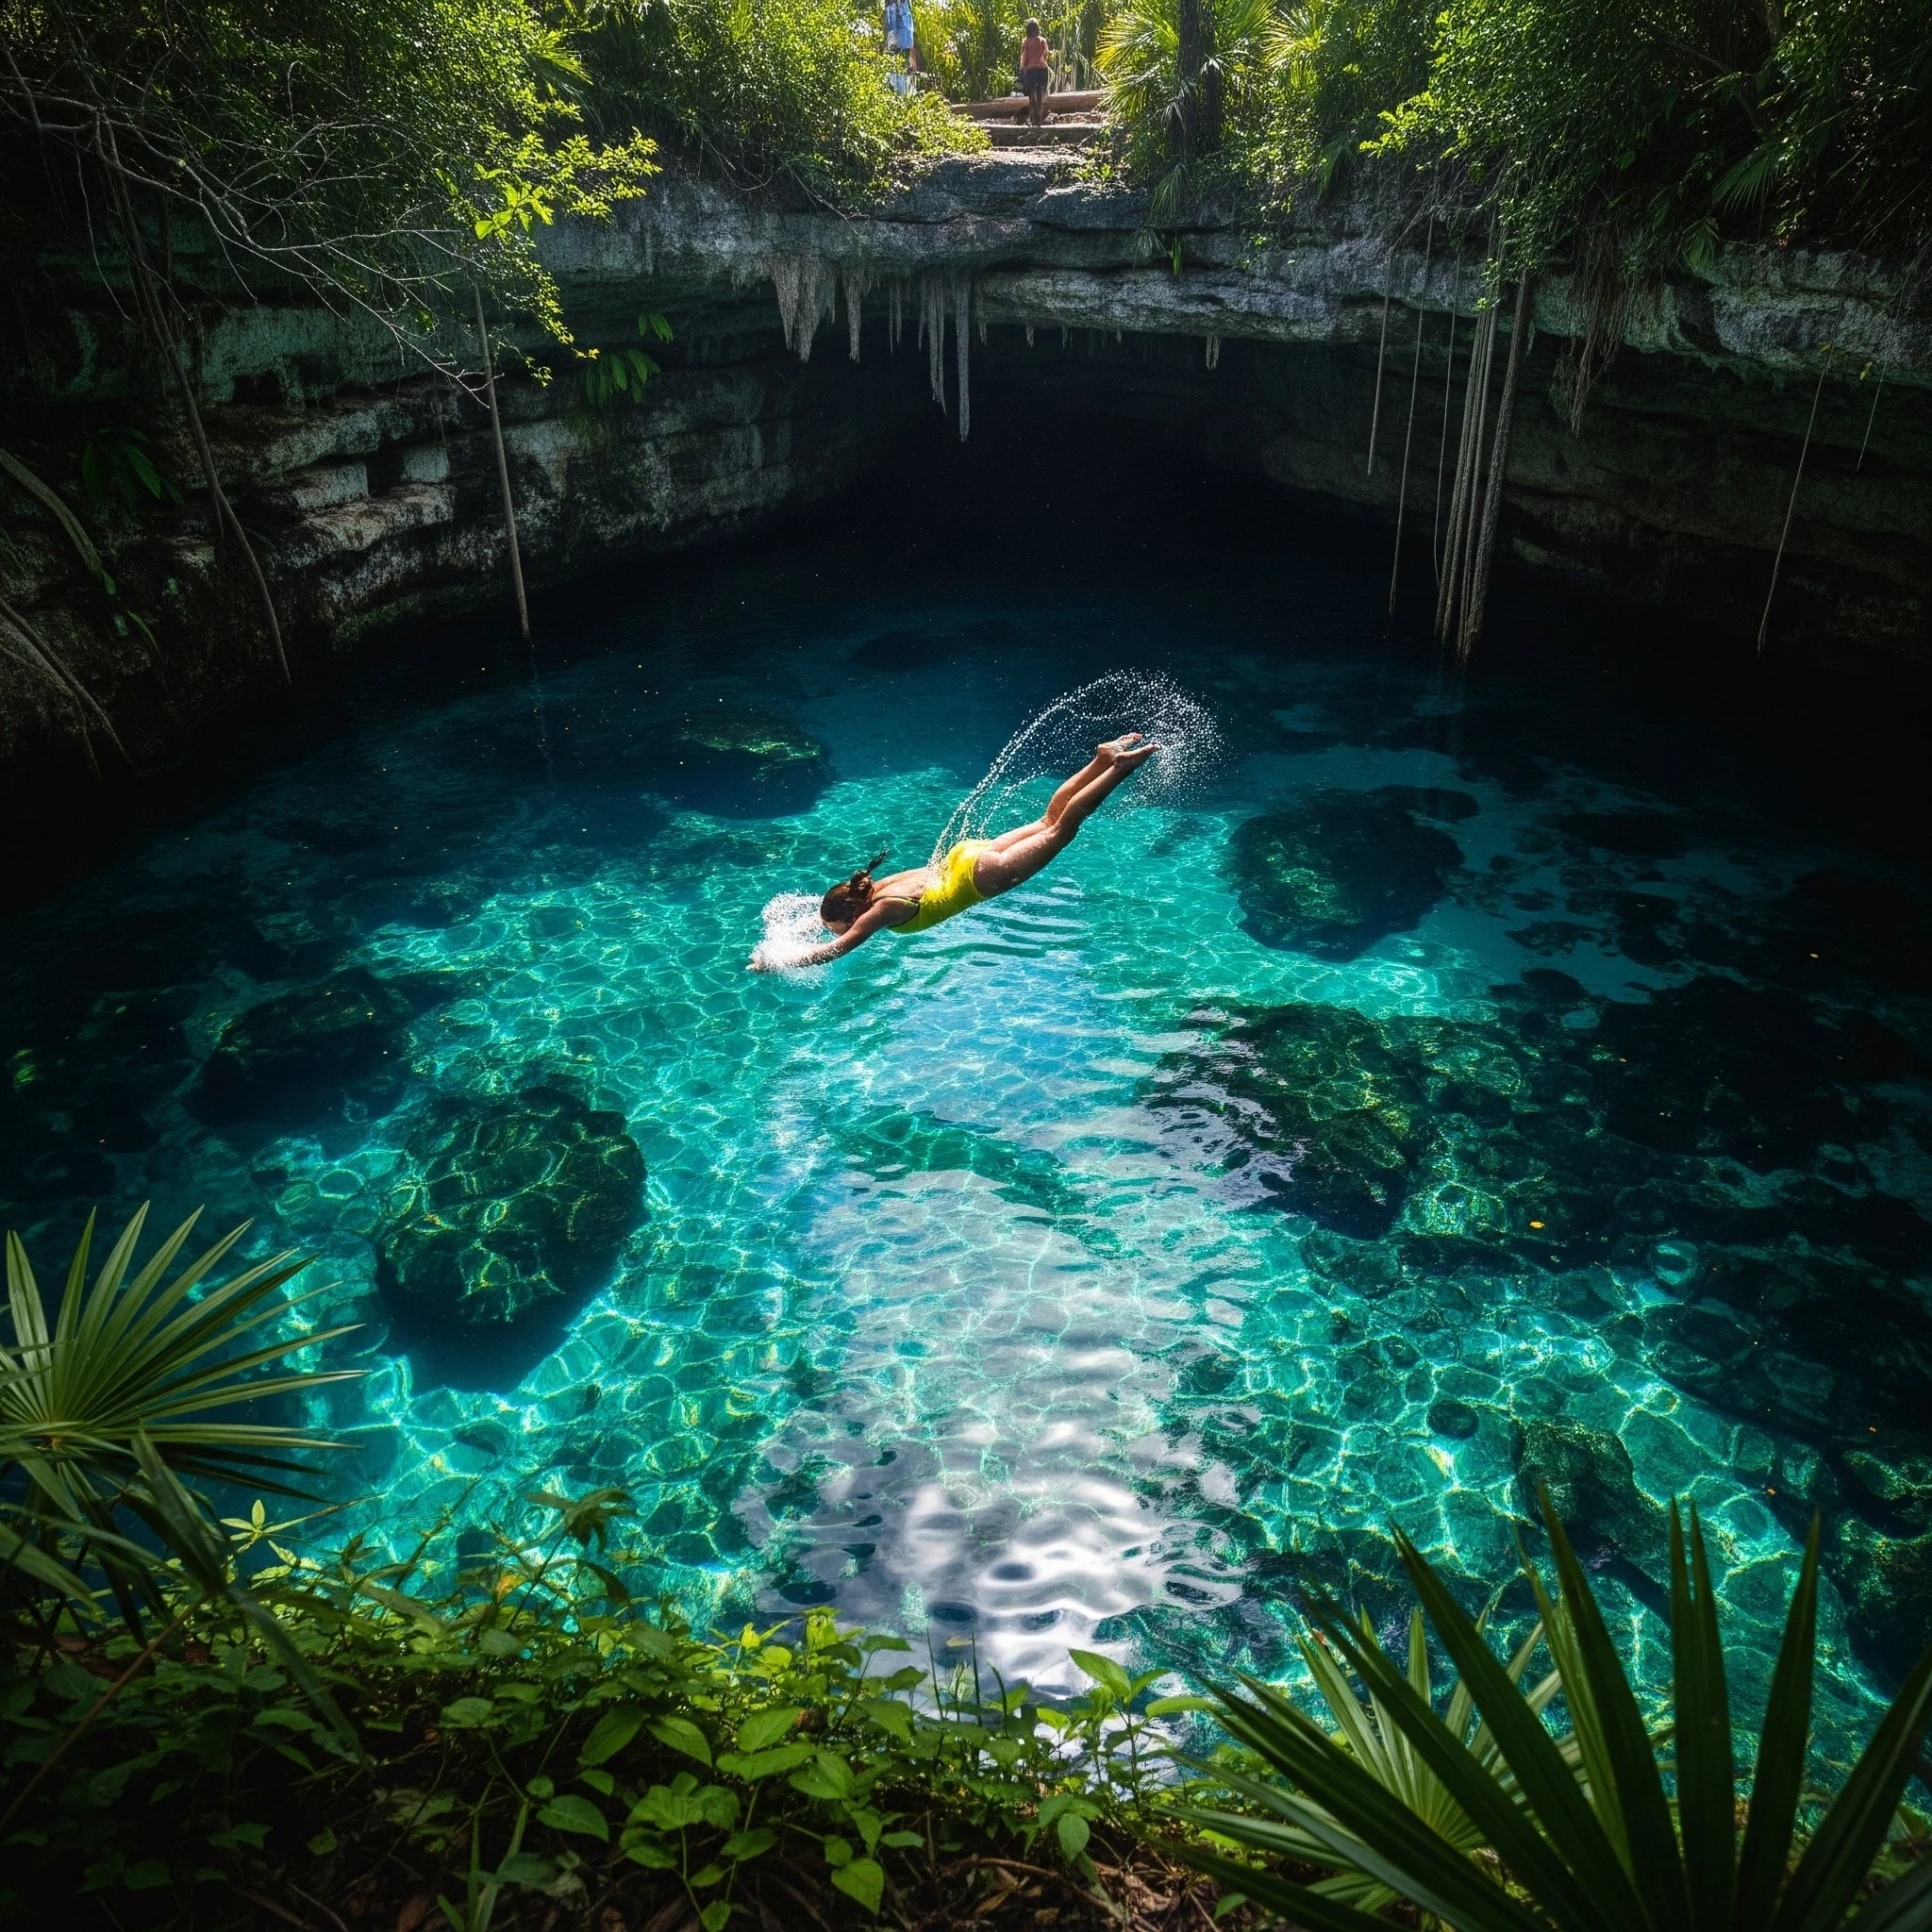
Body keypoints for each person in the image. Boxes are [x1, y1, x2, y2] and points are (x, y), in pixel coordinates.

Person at [762, 735, 1158, 969]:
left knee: (1061, 828)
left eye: (843, 923)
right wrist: (796, 930)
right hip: (963, 856)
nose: (845, 929)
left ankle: (1118, 768)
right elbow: (835, 923)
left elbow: (836, 949)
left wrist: (776, 962)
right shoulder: (874, 887)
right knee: (1044, 820)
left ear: (856, 912)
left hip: (983, 874)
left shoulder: (881, 913)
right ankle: (1100, 759)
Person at [1019, 17, 1052, 126]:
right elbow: (1046, 54)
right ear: (1037, 29)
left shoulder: (1025, 41)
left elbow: (1024, 57)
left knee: (1031, 98)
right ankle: (1039, 122)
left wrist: (1023, 69)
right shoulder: (1042, 41)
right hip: (1041, 70)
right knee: (1040, 95)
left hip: (1030, 71)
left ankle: (1032, 120)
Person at [884, 0, 919, 95]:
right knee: (893, 49)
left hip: (902, 14)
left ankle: (907, 85)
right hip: (893, 14)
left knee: (906, 47)